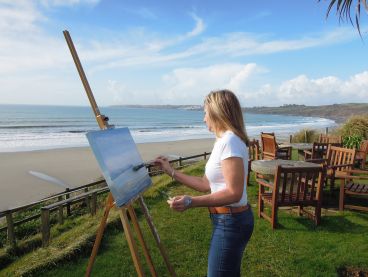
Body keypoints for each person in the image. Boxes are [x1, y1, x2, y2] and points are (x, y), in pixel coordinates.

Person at [154, 89, 254, 277]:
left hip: (231, 221)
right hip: (230, 219)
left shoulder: (230, 141)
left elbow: (234, 193)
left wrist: (191, 202)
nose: (203, 118)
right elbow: (204, 183)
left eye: (205, 113)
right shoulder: (223, 141)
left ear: (217, 112)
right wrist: (170, 171)